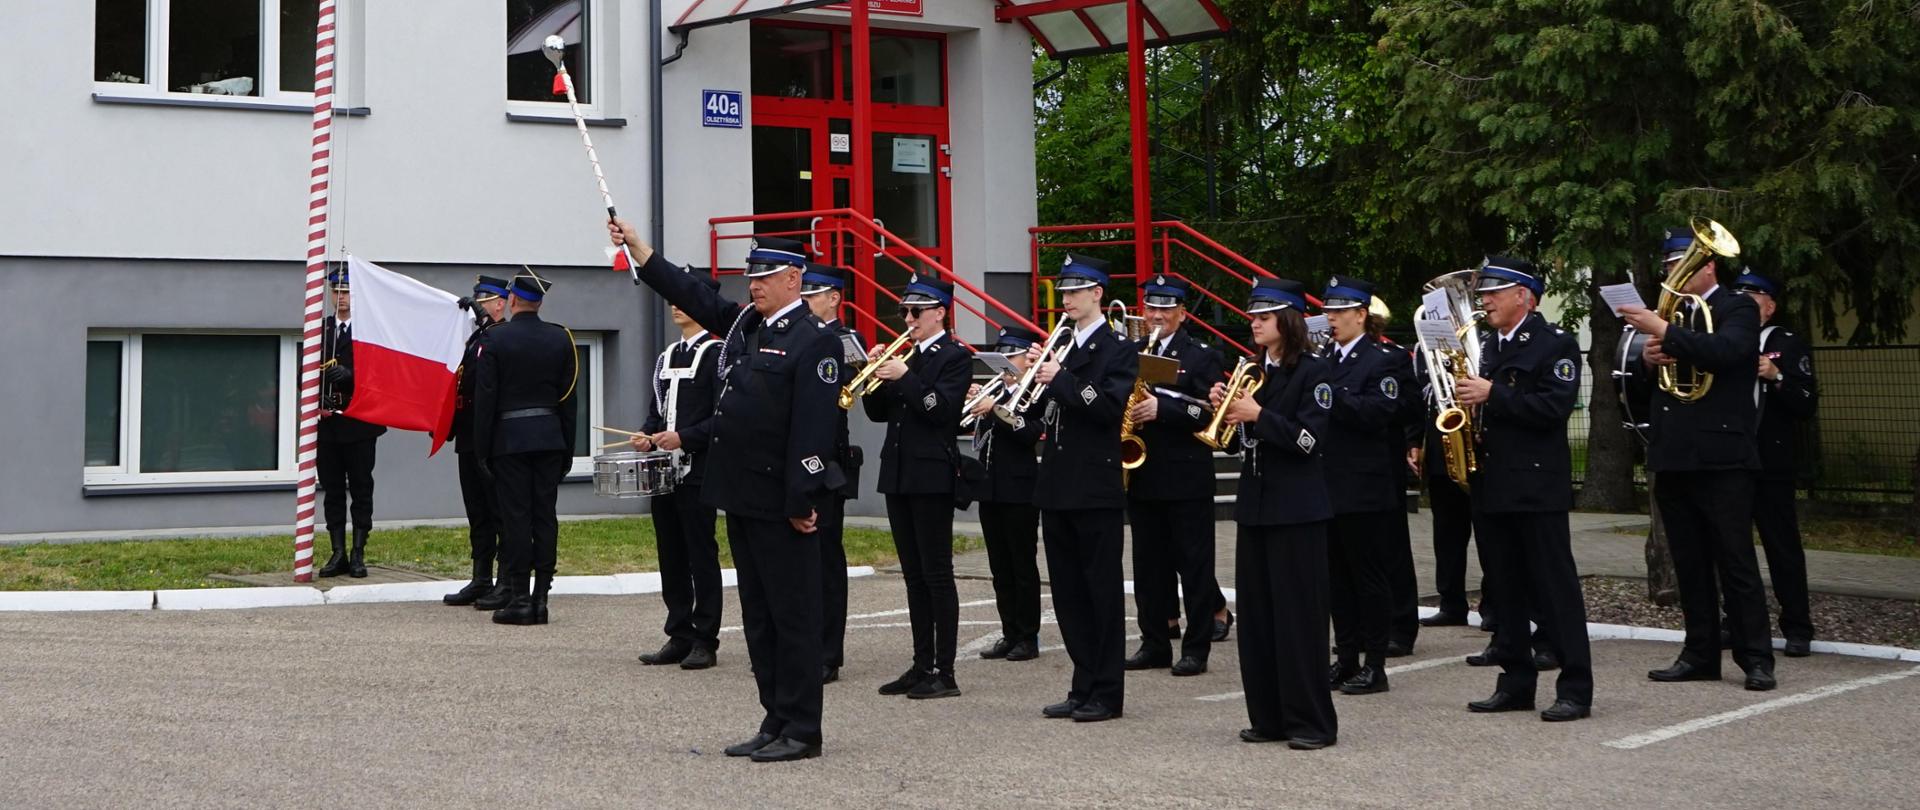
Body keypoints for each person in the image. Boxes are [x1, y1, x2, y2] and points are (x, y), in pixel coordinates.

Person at [613, 221, 840, 762]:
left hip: (782, 501)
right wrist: (640, 249)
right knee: (759, 618)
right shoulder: (745, 327)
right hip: (739, 493)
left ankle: (803, 728)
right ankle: (774, 717)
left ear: (794, 279)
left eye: (765, 276)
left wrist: (802, 498)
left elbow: (814, 431)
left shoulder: (815, 341)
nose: (753, 284)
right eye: (751, 276)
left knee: (793, 616)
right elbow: (690, 292)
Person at [1620, 226, 1775, 692]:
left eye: (1678, 265)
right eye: (1669, 267)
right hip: (1674, 453)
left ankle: (1756, 658)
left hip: (1723, 454)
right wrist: (1649, 360)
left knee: (1736, 561)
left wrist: (1665, 331)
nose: (1672, 274)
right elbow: (1649, 391)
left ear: (1707, 265)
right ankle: (1699, 653)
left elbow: (1731, 353)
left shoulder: (1737, 307)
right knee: (1688, 562)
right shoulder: (1675, 315)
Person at [1452, 257, 1594, 722]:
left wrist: (1493, 394)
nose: (1485, 299)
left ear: (1524, 296)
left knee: (1556, 589)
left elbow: (1553, 408)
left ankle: (1575, 688)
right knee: (1506, 589)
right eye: (1484, 292)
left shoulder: (1556, 344)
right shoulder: (1488, 345)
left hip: (1536, 485)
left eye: (1496, 291)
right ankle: (1515, 683)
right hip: (1492, 482)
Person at [1214, 277, 1338, 750]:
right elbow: (1238, 443)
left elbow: (1309, 441)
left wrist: (1256, 416)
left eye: (1264, 317)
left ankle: (1311, 722)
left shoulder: (1314, 373)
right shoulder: (1251, 370)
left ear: (1287, 321)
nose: (1254, 323)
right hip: (1257, 508)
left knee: (1299, 621)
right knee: (1261, 620)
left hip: (1299, 511)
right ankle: (1268, 717)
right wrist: (1225, 415)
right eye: (1253, 316)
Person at [1029, 253, 1139, 723]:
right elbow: (1046, 410)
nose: (1066, 299)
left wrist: (1062, 379)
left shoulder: (1118, 348)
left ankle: (1107, 692)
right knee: (1069, 593)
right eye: (1064, 291)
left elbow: (1107, 405)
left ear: (1098, 293)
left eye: (1076, 291)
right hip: (1057, 481)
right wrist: (1030, 379)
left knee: (1100, 591)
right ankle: (1081, 683)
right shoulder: (1065, 345)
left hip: (1094, 484)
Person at [863, 273, 971, 700]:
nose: (907, 319)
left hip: (931, 475)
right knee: (912, 576)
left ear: (940, 312)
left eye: (916, 312)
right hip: (899, 473)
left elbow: (939, 411)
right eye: (904, 311)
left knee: (936, 574)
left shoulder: (954, 357)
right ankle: (919, 662)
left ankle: (944, 671)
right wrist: (872, 371)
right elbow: (875, 412)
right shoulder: (904, 356)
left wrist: (905, 375)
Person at [1123, 275, 1229, 676]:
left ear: (1182, 313)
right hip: (1145, 473)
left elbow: (1208, 413)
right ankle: (1154, 642)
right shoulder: (1134, 351)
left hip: (1186, 476)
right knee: (1148, 566)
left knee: (1194, 565)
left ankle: (1196, 646)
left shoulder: (1202, 356)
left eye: (1166, 309)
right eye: (1152, 308)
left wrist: (1162, 409)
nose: (1157, 316)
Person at [1318, 275, 1413, 696]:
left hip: (1366, 485)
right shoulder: (1324, 358)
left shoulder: (1383, 359)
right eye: (1328, 311)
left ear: (1361, 314)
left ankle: (1375, 663)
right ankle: (1347, 656)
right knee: (1337, 577)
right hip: (1328, 483)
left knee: (1369, 577)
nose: (1331, 319)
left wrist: (1330, 398)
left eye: (1339, 312)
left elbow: (1380, 411)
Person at [471, 270, 578, 627]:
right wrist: (567, 449)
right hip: (549, 438)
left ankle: (519, 596)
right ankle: (542, 598)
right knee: (545, 516)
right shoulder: (561, 338)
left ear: (512, 300)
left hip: (509, 441)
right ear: (540, 302)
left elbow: (485, 400)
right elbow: (568, 400)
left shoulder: (497, 340)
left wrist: (481, 449)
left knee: (516, 518)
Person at [633, 278, 725, 670]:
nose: (676, 306)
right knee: (670, 552)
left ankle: (705, 637)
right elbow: (657, 410)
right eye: (673, 300)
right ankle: (679, 631)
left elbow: (723, 417)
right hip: (663, 472)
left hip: (699, 469)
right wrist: (647, 435)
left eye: (685, 300)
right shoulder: (667, 355)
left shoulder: (719, 354)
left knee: (700, 553)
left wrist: (684, 437)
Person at [1729, 269, 1819, 658]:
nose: (1745, 305)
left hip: (1771, 461)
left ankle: (1797, 626)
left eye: (1753, 299)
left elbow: (1806, 402)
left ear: (1770, 305)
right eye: (1739, 298)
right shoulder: (1727, 343)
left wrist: (1777, 374)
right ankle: (1736, 623)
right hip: (1733, 459)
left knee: (1782, 547)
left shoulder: (1786, 342)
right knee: (1732, 548)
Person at [801, 263, 866, 684]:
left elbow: (845, 392)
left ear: (833, 298)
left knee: (826, 558)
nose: (807, 300)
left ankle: (828, 653)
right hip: (797, 454)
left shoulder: (848, 341)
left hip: (829, 460)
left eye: (815, 293)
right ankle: (799, 645)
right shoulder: (797, 334)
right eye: (804, 293)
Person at [967, 327, 1046, 663]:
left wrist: (995, 409)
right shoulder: (995, 388)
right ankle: (1009, 630)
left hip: (1020, 487)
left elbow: (1029, 433)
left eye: (1011, 355)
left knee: (1022, 564)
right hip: (991, 486)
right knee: (1000, 566)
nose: (1005, 362)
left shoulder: (1038, 392)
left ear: (1027, 359)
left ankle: (1028, 636)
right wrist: (973, 400)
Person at [317, 267, 387, 579]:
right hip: (329, 425)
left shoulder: (369, 332)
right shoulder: (322, 330)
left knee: (361, 489)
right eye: (337, 292)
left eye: (346, 293)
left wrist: (351, 378)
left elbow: (381, 377)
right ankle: (337, 552)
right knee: (332, 490)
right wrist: (319, 397)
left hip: (360, 424)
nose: (341, 298)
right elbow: (304, 374)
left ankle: (359, 552)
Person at [444, 275, 510, 606]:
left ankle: (506, 580)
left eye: (484, 301)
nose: (478, 307)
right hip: (469, 436)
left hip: (495, 440)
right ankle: (481, 577)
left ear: (501, 303)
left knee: (499, 512)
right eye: (477, 301)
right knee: (477, 512)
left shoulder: (504, 338)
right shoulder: (474, 341)